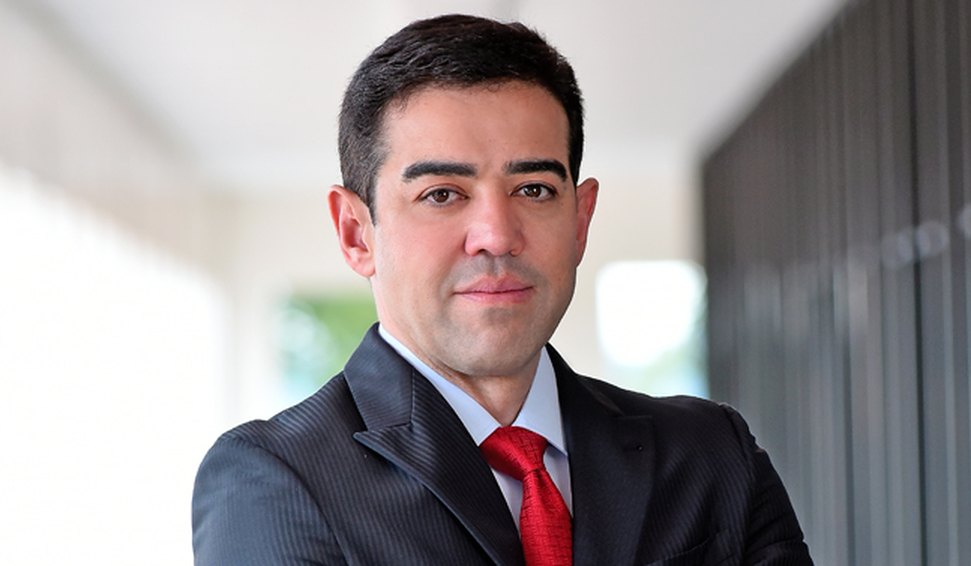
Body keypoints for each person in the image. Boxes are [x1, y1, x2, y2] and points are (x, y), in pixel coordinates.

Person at [192, 14, 812, 566]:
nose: (496, 235)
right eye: (442, 194)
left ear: (580, 221)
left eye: (534, 189)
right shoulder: (276, 479)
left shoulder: (711, 455)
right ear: (357, 234)